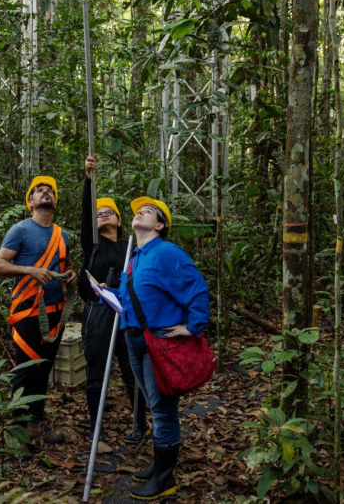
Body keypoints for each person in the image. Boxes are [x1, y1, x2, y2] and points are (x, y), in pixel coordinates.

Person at [116, 197, 209, 500]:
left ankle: (165, 477)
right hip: (135, 339)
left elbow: (197, 288)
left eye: (149, 211)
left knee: (162, 409)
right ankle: (159, 464)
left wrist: (192, 327)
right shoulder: (135, 257)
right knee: (154, 405)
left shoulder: (168, 252)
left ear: (159, 225)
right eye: (137, 210)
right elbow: (134, 294)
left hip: (160, 341)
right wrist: (109, 291)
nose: (139, 212)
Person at [0, 176, 78, 444]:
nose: (45, 193)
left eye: (49, 190)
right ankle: (18, 429)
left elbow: (64, 265)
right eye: (39, 191)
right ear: (30, 202)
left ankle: (35, 424)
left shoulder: (62, 234)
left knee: (44, 368)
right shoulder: (20, 230)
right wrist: (29, 270)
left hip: (55, 312)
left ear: (55, 201)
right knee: (26, 368)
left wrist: (71, 274)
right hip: (27, 310)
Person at [80, 156, 148, 443]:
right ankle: (95, 426)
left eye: (109, 212)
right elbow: (86, 216)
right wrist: (88, 180)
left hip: (127, 314)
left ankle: (140, 424)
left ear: (119, 221)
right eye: (99, 213)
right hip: (99, 314)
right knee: (96, 372)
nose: (103, 215)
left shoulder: (131, 247)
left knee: (132, 371)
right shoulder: (94, 245)